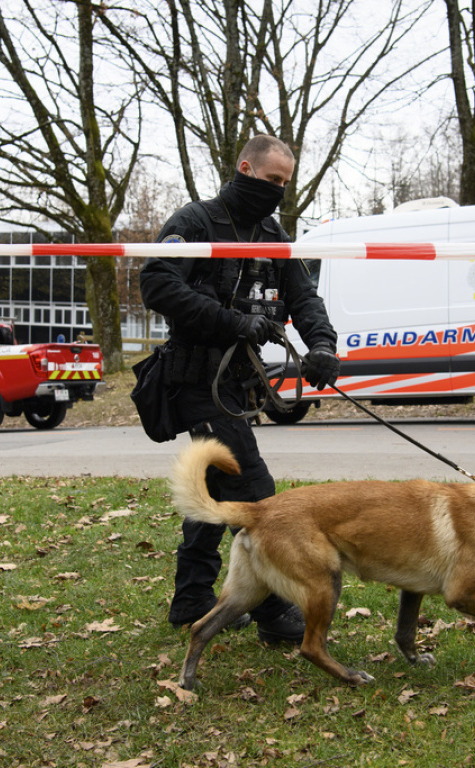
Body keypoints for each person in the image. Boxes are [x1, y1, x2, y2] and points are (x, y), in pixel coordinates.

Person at [139, 135, 340, 644]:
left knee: (214, 493)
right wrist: (232, 321)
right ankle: (274, 613)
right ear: (244, 167)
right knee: (256, 495)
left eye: (284, 185)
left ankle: (191, 598)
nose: (277, 191)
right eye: (272, 180)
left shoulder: (272, 234)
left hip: (239, 386)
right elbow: (157, 284)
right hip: (196, 380)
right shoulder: (195, 222)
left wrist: (321, 346)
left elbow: (303, 296)